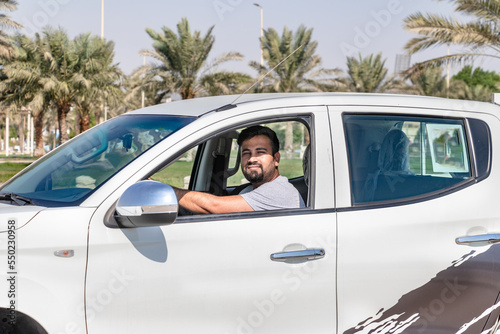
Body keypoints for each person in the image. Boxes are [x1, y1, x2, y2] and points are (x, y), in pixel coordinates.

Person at [173, 125, 305, 214]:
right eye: (246, 153)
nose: (252, 159)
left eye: (260, 152)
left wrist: (164, 190)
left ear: (276, 159)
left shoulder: (279, 191)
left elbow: (213, 206)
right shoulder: (249, 190)